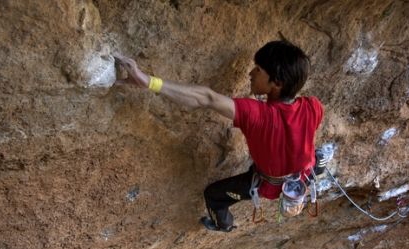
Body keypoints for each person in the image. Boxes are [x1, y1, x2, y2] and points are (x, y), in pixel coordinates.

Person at [115, 40, 324, 232]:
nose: (251, 73)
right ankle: (319, 164)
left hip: (270, 186)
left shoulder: (257, 115)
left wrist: (147, 81)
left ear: (276, 83)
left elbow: (206, 98)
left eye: (259, 70)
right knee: (314, 158)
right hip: (304, 175)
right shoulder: (313, 107)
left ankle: (224, 224)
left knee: (213, 195)